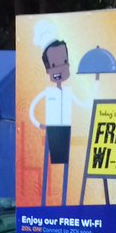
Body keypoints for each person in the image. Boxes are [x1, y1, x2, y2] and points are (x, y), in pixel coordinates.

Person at [28, 39, 88, 206]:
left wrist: (96, 85)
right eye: (54, 65)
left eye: (64, 63)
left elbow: (84, 104)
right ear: (47, 69)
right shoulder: (48, 93)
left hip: (66, 130)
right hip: (53, 131)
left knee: (66, 168)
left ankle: (64, 202)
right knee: (50, 168)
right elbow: (32, 109)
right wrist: (41, 125)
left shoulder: (69, 92)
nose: (60, 69)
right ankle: (47, 202)